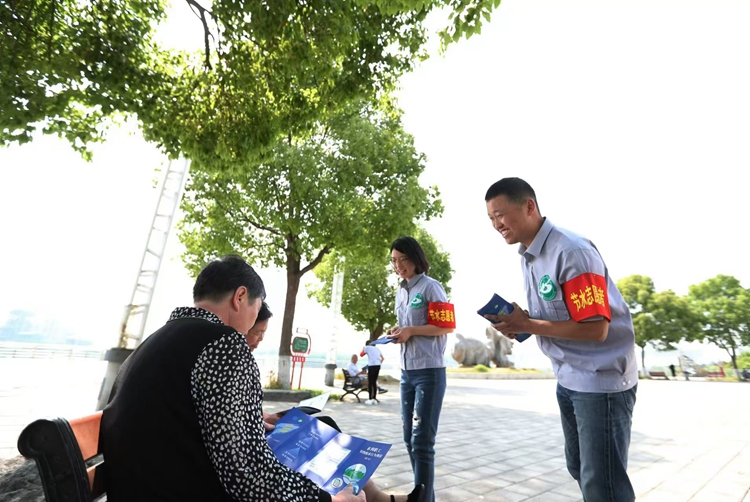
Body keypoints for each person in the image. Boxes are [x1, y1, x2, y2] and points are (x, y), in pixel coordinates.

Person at [101, 254, 421, 502]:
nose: (254, 320)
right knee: (330, 475)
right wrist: (326, 499)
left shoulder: (156, 342)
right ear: (240, 297)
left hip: (148, 487)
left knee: (309, 430)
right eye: (256, 308)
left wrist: (252, 419)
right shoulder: (224, 344)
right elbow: (245, 476)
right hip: (185, 490)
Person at [484, 178, 638, 502]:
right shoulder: (529, 255)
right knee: (580, 467)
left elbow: (596, 328)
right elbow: (553, 317)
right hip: (568, 378)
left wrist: (530, 323)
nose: (497, 225)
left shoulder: (571, 250)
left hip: (600, 382)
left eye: (500, 214)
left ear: (529, 206)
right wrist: (520, 322)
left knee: (603, 484)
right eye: (491, 219)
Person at [386, 236, 455, 502]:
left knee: (422, 443)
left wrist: (411, 330)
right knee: (408, 439)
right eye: (394, 260)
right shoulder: (401, 291)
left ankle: (422, 499)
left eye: (403, 259)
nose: (398, 265)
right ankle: (426, 497)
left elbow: (446, 326)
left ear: (415, 259)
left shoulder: (431, 287)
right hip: (407, 373)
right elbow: (407, 328)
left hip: (430, 373)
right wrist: (398, 332)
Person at [361, 340, 385, 405]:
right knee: (374, 382)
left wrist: (364, 348)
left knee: (370, 382)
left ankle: (370, 398)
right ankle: (374, 398)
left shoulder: (366, 347)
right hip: (378, 365)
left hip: (371, 366)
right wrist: (378, 363)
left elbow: (361, 354)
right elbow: (383, 358)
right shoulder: (377, 349)